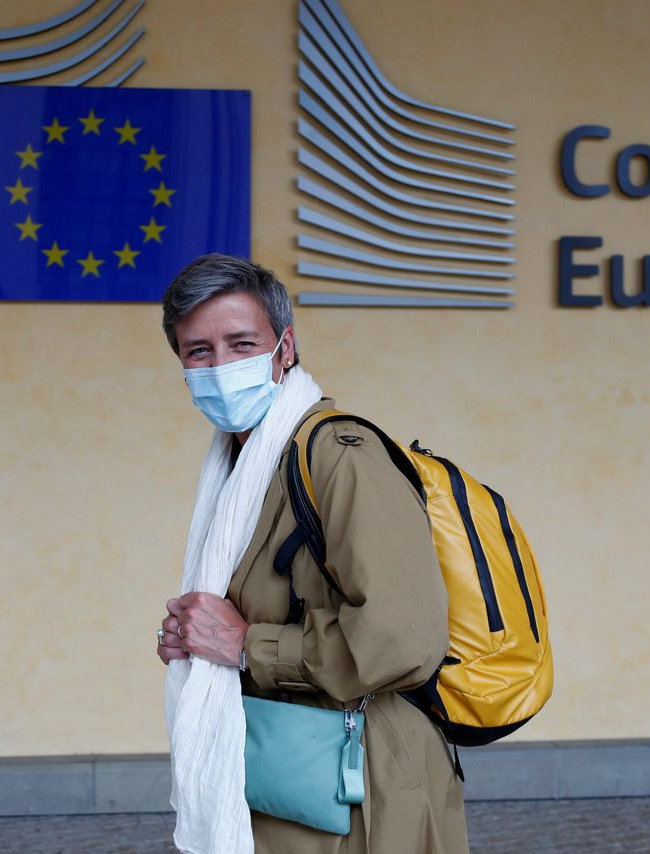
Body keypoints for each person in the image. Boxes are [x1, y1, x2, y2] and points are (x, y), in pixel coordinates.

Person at [156, 254, 469, 853]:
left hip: (363, 783)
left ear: (286, 348)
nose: (221, 366)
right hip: (289, 769)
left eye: (242, 343)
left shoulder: (340, 456)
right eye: (199, 351)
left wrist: (246, 645)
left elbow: (406, 640)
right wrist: (198, 637)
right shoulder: (241, 466)